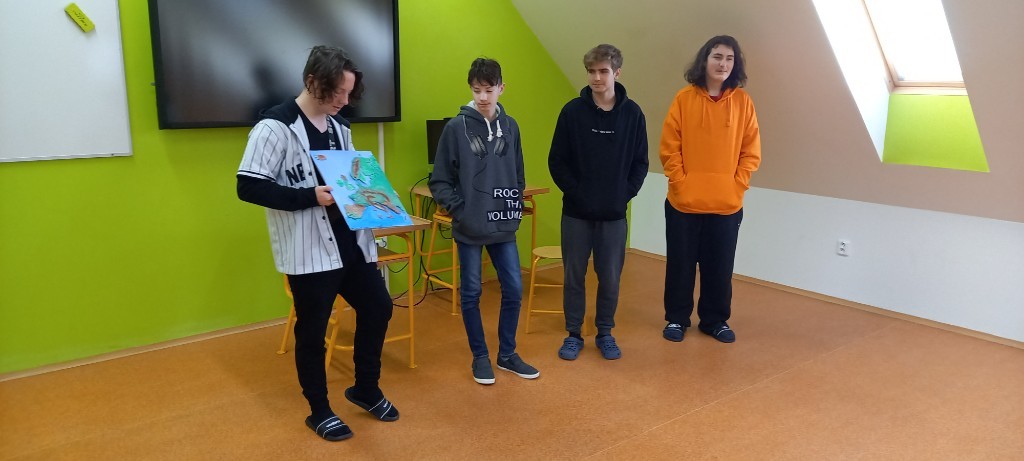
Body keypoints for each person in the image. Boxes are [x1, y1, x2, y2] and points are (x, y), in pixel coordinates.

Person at [236, 46, 398, 442]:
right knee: (312, 331)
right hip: (309, 251)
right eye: (337, 92)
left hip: (351, 244)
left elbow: (351, 180)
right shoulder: (274, 127)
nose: (344, 101)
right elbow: (248, 186)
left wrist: (377, 200)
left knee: (378, 306)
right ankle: (319, 409)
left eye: (349, 93)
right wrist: (309, 196)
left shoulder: (340, 128)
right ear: (312, 81)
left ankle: (365, 388)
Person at [428, 57, 539, 385]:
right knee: (472, 292)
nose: (482, 97)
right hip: (470, 228)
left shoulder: (511, 127)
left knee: (514, 289)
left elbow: (518, 174)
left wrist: (513, 206)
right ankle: (480, 357)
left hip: (503, 227)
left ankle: (507, 354)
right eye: (477, 90)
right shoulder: (456, 129)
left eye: (489, 90)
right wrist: (461, 211)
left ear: (501, 88)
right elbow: (439, 181)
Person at [548, 44, 648, 361]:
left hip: (613, 215)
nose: (596, 78)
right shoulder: (572, 112)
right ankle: (573, 334)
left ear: (617, 73)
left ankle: (605, 332)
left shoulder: (633, 115)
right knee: (573, 276)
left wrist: (623, 194)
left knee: (611, 279)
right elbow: (557, 161)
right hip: (575, 214)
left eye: (603, 71)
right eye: (591, 71)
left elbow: (641, 163)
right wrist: (576, 192)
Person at [659, 35, 761, 344]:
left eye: (729, 58)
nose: (723, 63)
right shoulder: (683, 99)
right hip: (683, 203)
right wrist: (680, 183)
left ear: (735, 65)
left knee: (720, 267)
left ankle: (714, 320)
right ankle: (677, 319)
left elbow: (751, 152)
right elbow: (669, 148)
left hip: (726, 205)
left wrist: (736, 185)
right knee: (681, 265)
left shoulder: (743, 103)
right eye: (717, 56)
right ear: (705, 60)